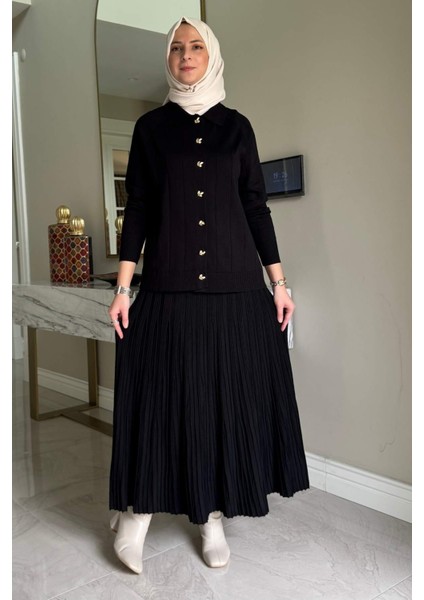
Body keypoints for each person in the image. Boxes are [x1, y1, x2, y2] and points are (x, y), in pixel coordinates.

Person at [108, 16, 310, 575]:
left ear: (211, 55)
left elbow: (255, 207)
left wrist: (279, 283)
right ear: (168, 59)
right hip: (167, 287)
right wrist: (123, 287)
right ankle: (135, 514)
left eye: (196, 46)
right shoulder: (151, 129)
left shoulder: (237, 128)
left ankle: (211, 516)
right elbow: (138, 208)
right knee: (158, 399)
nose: (186, 54)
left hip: (235, 289)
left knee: (220, 404)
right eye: (177, 47)